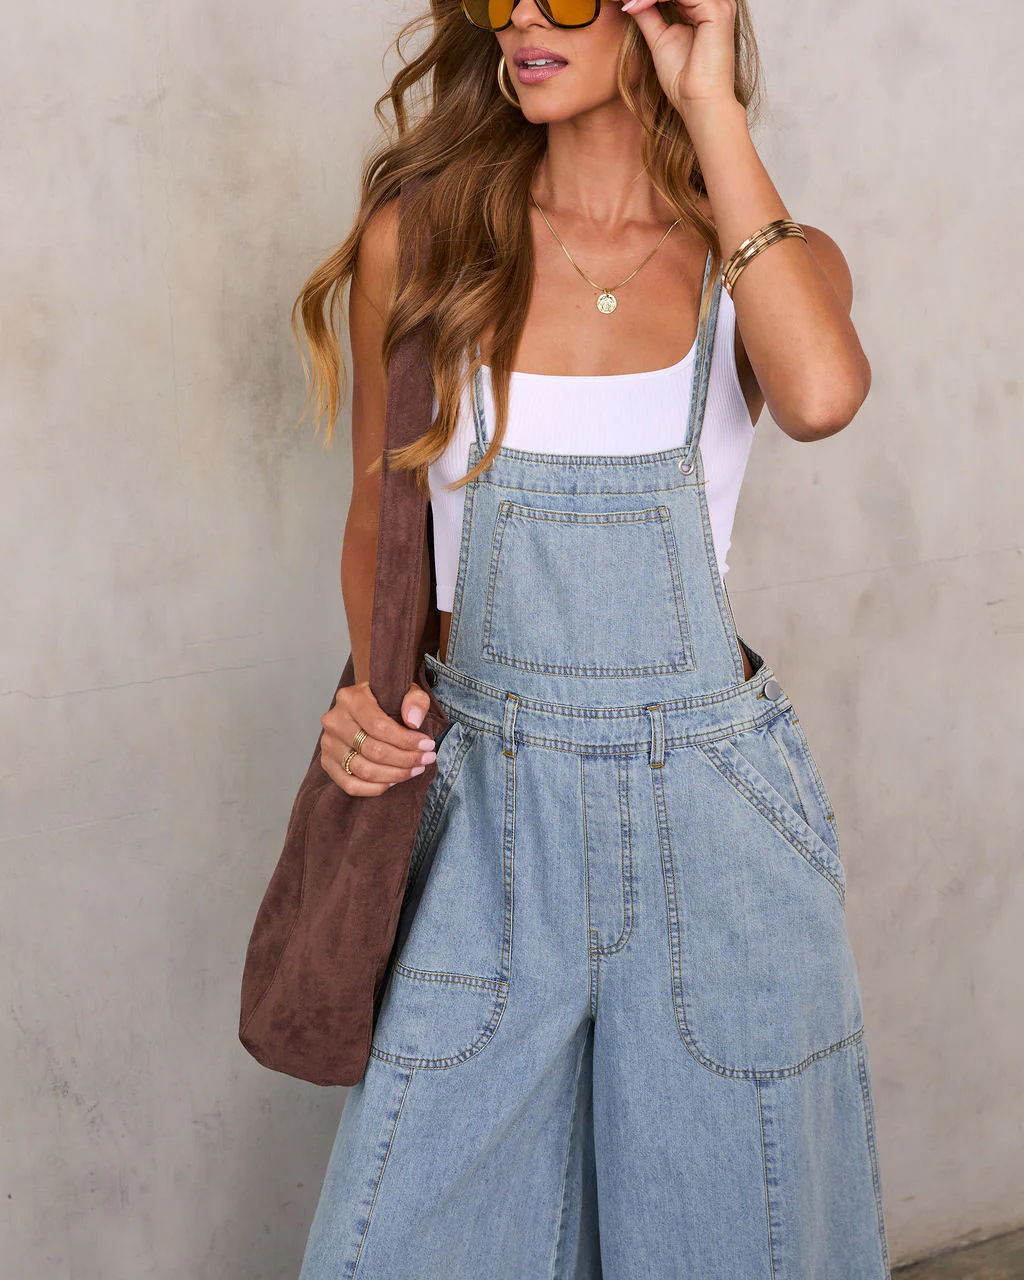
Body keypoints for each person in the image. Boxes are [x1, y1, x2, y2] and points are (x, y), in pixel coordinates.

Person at [292, 1, 890, 1276]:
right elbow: (376, 521)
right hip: (486, 810)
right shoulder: (426, 244)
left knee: (734, 1240)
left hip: (715, 819)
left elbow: (822, 395)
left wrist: (708, 104)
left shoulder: (755, 259)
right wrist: (372, 707)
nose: (521, 13)